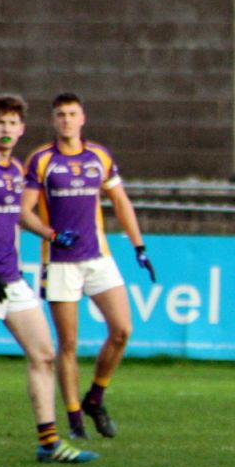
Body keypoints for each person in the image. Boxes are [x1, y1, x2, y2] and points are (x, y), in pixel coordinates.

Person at [0, 94, 97, 465]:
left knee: (44, 354)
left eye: (13, 123)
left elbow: (13, 221)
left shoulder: (15, 171)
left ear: (22, 129)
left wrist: (48, 234)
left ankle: (49, 443)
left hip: (12, 278)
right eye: (0, 122)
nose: (6, 129)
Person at [19, 92, 156, 441]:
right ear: (54, 121)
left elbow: (121, 202)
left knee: (122, 330)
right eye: (60, 114)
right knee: (68, 344)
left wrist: (139, 246)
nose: (66, 120)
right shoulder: (41, 160)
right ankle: (75, 419)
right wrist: (50, 234)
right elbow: (23, 211)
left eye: (72, 114)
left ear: (83, 118)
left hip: (98, 258)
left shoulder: (99, 156)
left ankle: (95, 397)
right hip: (61, 262)